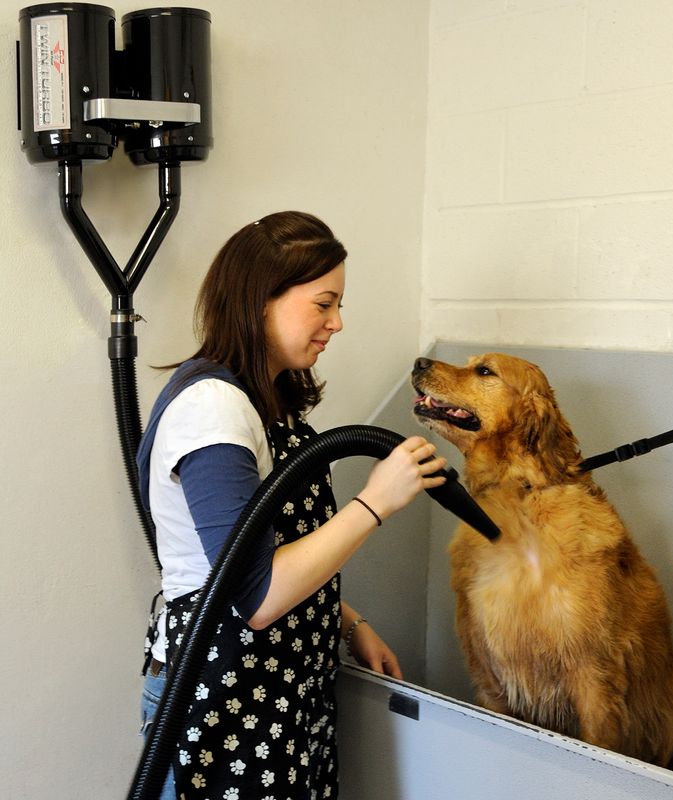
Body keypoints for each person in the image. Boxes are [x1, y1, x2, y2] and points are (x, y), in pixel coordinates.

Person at [136, 210, 447, 799]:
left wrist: (349, 622)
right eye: (323, 304)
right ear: (261, 301)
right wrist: (374, 503)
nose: (337, 323)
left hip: (278, 695)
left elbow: (270, 552)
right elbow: (255, 596)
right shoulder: (212, 411)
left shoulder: (265, 401)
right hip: (220, 700)